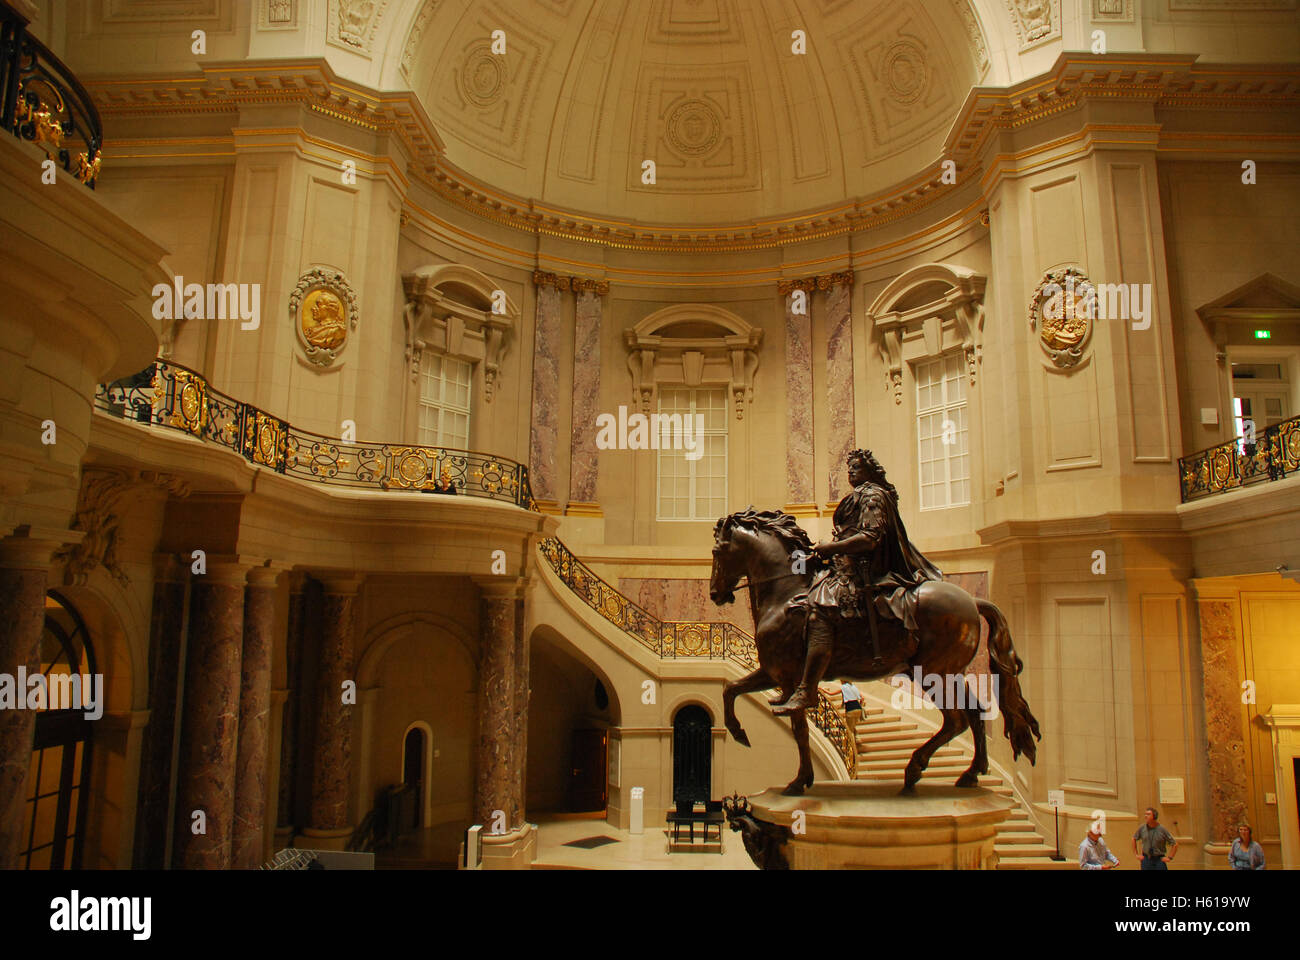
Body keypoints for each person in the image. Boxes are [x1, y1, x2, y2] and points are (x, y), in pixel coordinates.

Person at [772, 449, 942, 715]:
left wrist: (833, 548)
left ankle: (807, 690)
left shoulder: (873, 496)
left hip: (870, 571)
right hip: (849, 566)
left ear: (869, 471)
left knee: (819, 611)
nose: (850, 471)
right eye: (849, 467)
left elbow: (870, 538)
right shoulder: (860, 496)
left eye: (856, 467)